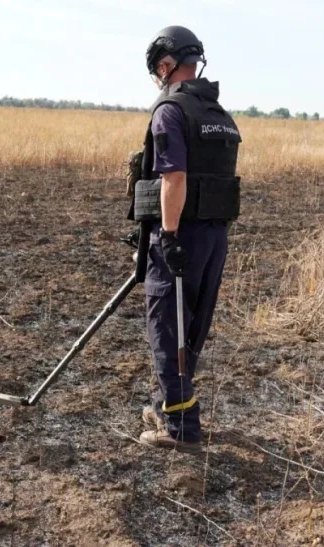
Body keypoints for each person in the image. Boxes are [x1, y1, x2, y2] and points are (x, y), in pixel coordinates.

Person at [131, 26, 242, 453]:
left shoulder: (170, 111)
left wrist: (170, 236)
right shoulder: (217, 114)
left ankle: (180, 428)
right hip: (215, 237)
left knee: (166, 326)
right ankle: (169, 405)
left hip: (181, 235)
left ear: (165, 66)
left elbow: (174, 178)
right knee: (190, 326)